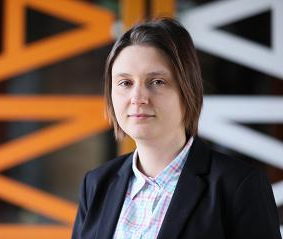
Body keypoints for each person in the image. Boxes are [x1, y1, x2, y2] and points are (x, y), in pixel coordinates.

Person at [72, 18, 281, 239]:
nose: (137, 98)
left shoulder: (238, 186)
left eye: (157, 82)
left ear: (187, 90)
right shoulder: (96, 184)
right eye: (125, 83)